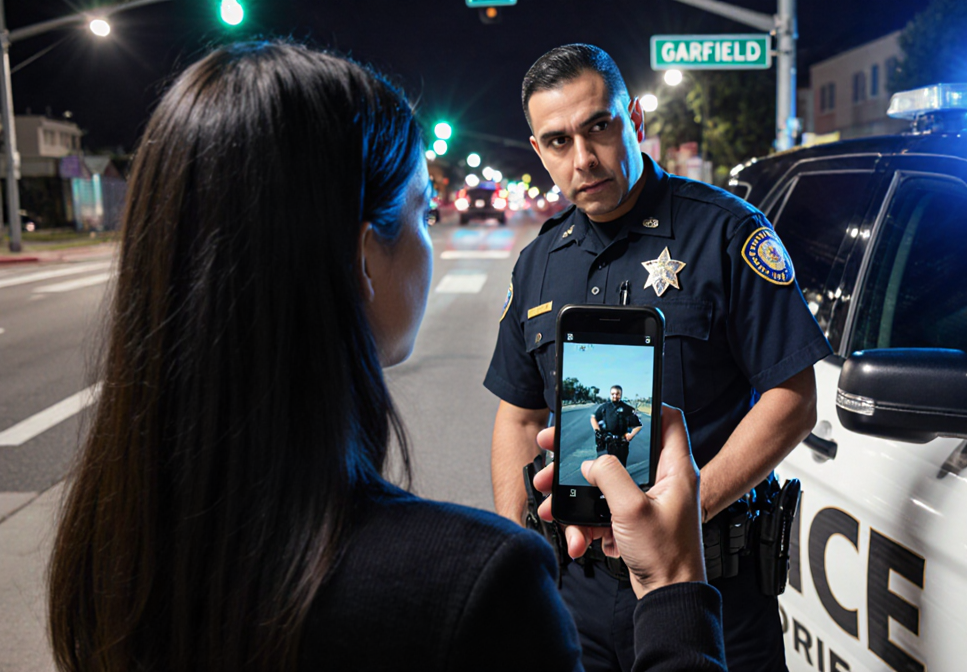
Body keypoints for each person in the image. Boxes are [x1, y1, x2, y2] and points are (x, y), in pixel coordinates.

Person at [46, 41, 727, 672]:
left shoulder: (104, 555)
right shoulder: (474, 588)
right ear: (363, 256)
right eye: (423, 213)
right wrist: (672, 587)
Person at [484, 44, 832, 671]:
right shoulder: (538, 263)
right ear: (538, 152)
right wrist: (517, 549)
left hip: (709, 583)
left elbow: (793, 398)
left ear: (635, 119)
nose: (583, 158)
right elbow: (516, 413)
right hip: (577, 593)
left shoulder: (728, 233)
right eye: (558, 141)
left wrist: (678, 518)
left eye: (599, 127)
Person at [591, 385, 642, 465]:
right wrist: (597, 430)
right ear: (610, 394)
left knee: (620, 468)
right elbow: (593, 418)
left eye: (617, 394)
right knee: (605, 468)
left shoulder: (627, 409)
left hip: (621, 445)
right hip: (607, 444)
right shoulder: (604, 408)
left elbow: (638, 426)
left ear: (621, 394)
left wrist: (631, 435)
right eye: (613, 394)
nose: (615, 396)